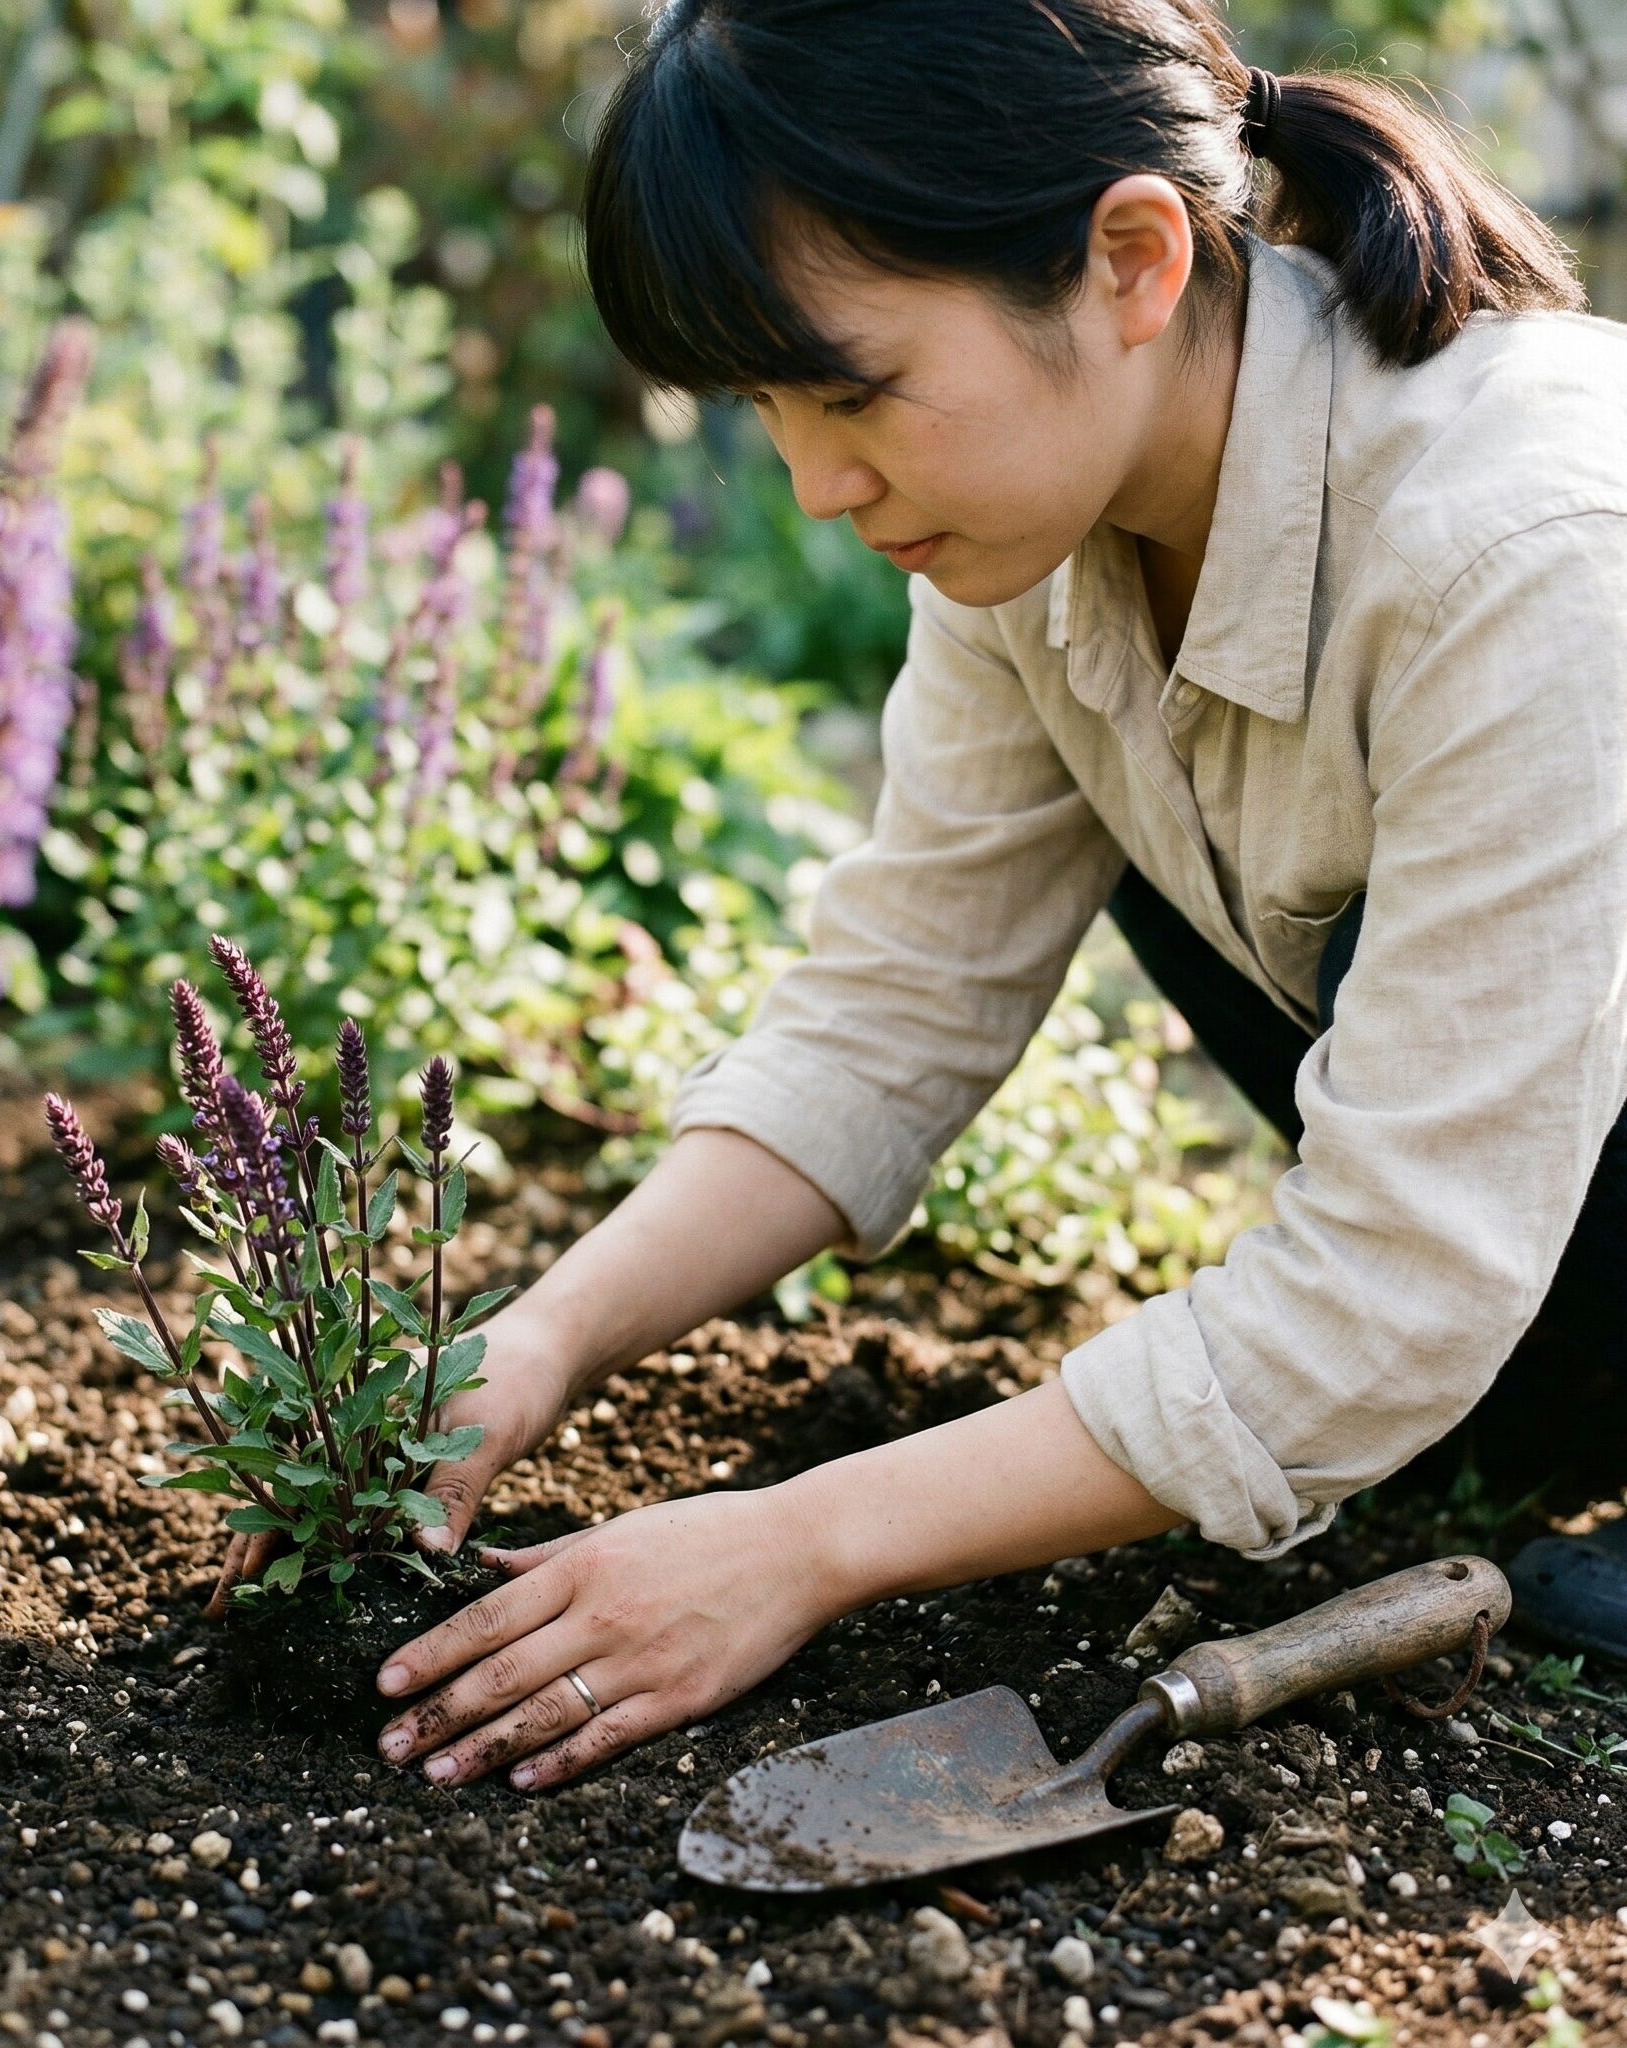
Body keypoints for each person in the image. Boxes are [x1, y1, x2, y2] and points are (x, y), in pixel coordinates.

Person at [370, 0, 1627, 1794]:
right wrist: (546, 1335)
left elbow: (1390, 1289)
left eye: (853, 387)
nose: (815, 486)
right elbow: (901, 999)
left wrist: (795, 1543)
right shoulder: (1039, 536)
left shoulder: (1527, 547)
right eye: (764, 410)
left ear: (1130, 259)